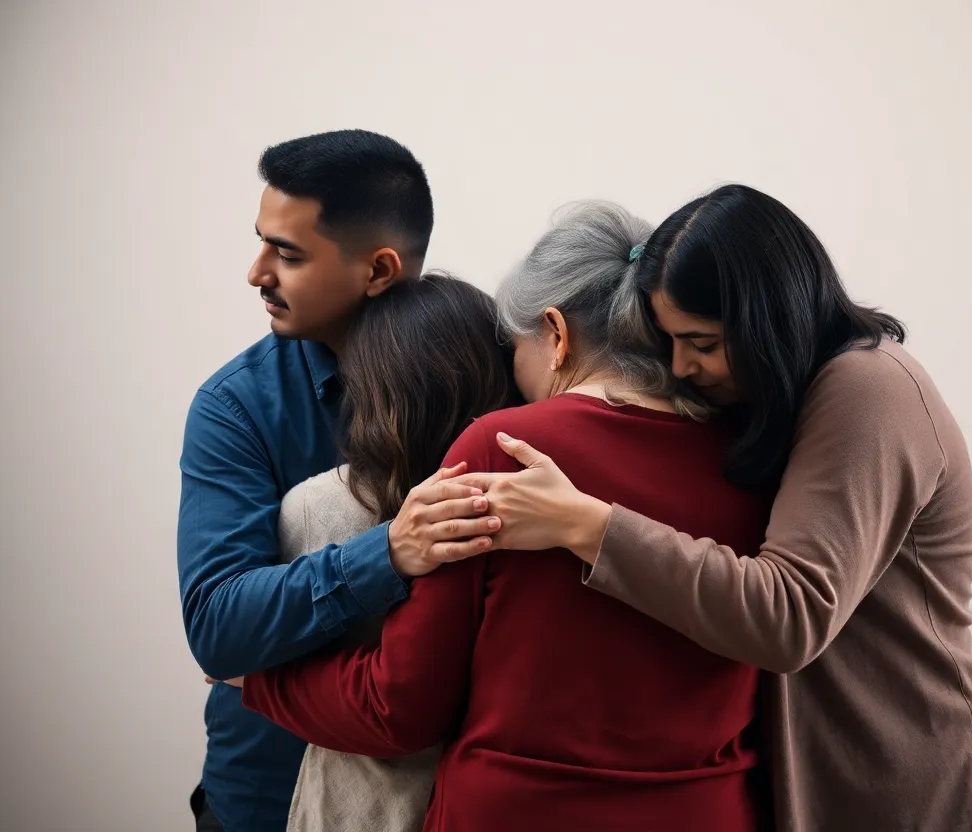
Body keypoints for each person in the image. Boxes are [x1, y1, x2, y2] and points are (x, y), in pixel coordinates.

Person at [441, 185, 972, 831]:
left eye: (700, 341)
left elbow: (790, 616)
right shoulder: (784, 398)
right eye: (669, 342)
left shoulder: (870, 390)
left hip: (910, 789)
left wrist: (583, 522)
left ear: (767, 320)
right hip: (825, 784)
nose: (681, 366)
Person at [239, 202, 774, 832]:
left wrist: (258, 680)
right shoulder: (750, 456)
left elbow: (400, 708)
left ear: (555, 334)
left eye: (513, 347)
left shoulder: (502, 448)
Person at [176, 130, 500, 832]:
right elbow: (216, 626)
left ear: (379, 269)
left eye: (287, 253)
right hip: (263, 798)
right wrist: (385, 553)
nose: (256, 271)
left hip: (443, 803)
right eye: (263, 242)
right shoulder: (237, 406)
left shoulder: (487, 370)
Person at [269, 274, 516, 832]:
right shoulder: (532, 504)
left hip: (357, 806)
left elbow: (277, 649)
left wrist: (255, 678)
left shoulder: (314, 508)